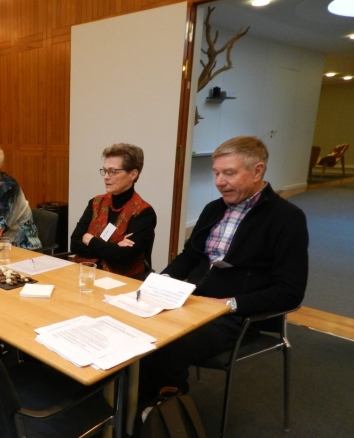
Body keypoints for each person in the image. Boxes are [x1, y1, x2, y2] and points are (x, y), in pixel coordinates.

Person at [139, 136, 309, 398]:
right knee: (134, 327)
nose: (219, 182)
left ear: (257, 171)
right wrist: (160, 283)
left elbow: (290, 291)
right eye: (216, 173)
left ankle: (164, 408)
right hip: (194, 303)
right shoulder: (213, 209)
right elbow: (190, 256)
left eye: (228, 173)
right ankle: (134, 403)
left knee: (164, 344)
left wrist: (228, 304)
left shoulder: (287, 218)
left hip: (238, 316)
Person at [71, 143, 156, 279]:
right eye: (105, 171)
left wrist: (89, 239)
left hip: (121, 280)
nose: (106, 176)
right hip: (86, 273)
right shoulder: (96, 203)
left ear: (133, 174)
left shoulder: (143, 213)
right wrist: (114, 248)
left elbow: (123, 256)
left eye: (113, 172)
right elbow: (74, 244)